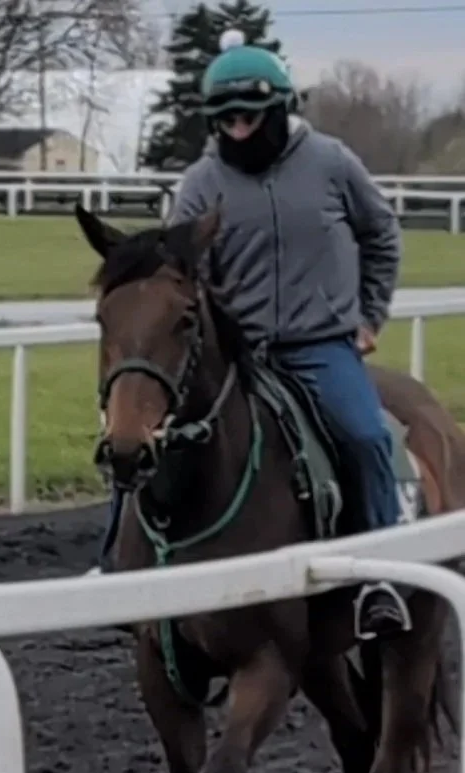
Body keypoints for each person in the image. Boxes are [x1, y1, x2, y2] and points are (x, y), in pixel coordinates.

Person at [91, 32, 410, 642]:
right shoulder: (201, 183)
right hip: (239, 353)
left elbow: (382, 236)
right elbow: (180, 277)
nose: (237, 128)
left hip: (320, 348)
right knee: (135, 434)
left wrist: (370, 313)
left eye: (248, 115)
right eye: (226, 118)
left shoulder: (334, 163)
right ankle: (116, 561)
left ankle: (378, 578)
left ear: (279, 109)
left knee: (366, 435)